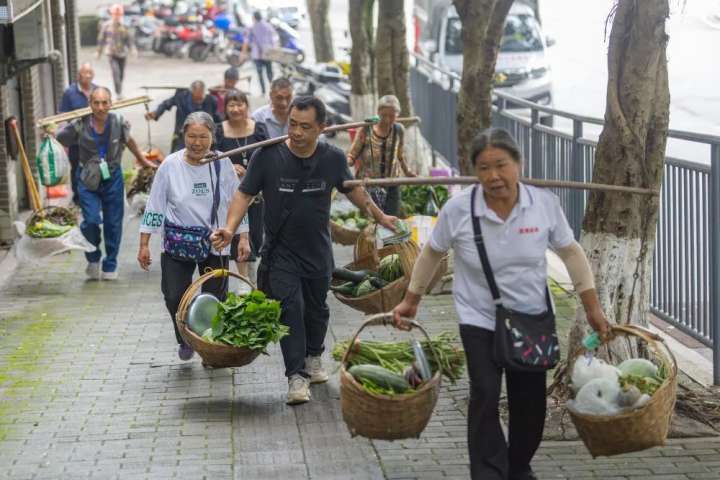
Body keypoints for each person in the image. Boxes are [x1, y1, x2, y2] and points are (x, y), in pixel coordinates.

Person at [392, 128, 611, 480]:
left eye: (501, 165)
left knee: (530, 405)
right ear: (475, 172)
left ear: (518, 165)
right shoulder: (459, 209)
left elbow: (571, 253)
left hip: (532, 318)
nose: (494, 176)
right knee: (485, 393)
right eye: (484, 167)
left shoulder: (543, 204)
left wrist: (592, 308)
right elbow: (432, 253)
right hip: (478, 317)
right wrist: (410, 300)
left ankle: (518, 464)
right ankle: (489, 472)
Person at [211, 96, 398, 405]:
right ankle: (296, 376)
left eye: (305, 127)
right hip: (281, 252)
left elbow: (354, 192)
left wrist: (380, 216)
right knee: (290, 309)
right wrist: (230, 229)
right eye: (292, 125)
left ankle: (314, 356)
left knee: (317, 309)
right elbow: (243, 194)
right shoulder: (267, 157)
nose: (296, 132)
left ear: (321, 128)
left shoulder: (333, 158)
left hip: (317, 251)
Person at [137, 112, 250, 361]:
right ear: (183, 136)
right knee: (174, 295)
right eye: (191, 136)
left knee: (214, 298)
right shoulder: (170, 165)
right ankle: (186, 338)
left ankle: (210, 347)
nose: (197, 143)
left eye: (203, 137)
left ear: (212, 137)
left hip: (216, 241)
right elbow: (155, 205)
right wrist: (144, 243)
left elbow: (237, 202)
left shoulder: (223, 163)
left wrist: (243, 237)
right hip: (178, 242)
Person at [56, 87, 154, 280]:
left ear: (111, 103)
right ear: (90, 104)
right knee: (91, 221)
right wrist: (49, 131)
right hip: (87, 179)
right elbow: (60, 138)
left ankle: (110, 263)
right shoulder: (80, 124)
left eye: (104, 103)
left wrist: (143, 161)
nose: (100, 107)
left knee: (113, 222)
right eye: (96, 103)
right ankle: (93, 258)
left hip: (113, 177)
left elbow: (130, 141)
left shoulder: (118, 122)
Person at [214, 90, 268, 280]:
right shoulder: (218, 130)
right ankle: (243, 281)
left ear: (247, 106)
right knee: (234, 234)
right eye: (231, 105)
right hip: (229, 197)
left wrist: (251, 174)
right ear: (225, 109)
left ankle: (250, 280)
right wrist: (228, 168)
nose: (236, 109)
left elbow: (269, 157)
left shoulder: (260, 129)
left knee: (253, 235)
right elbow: (211, 159)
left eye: (240, 104)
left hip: (256, 196)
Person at [347, 94, 416, 216]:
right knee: (370, 220)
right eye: (384, 115)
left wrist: (408, 171)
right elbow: (352, 155)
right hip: (368, 185)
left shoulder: (399, 130)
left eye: (392, 116)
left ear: (397, 116)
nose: (387, 120)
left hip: (392, 183)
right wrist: (344, 165)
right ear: (378, 113)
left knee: (391, 219)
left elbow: (400, 155)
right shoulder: (366, 129)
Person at [145, 80, 220, 153]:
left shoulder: (211, 100)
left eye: (200, 99)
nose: (198, 101)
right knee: (177, 155)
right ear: (191, 92)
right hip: (181, 134)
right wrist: (156, 113)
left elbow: (217, 118)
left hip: (202, 136)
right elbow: (166, 104)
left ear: (204, 93)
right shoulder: (181, 97)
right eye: (196, 98)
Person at [59, 63, 96, 205]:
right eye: (85, 73)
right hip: (76, 140)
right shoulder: (70, 93)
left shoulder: (97, 90)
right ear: (79, 76)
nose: (88, 75)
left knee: (94, 165)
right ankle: (78, 198)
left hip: (94, 138)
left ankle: (93, 193)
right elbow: (63, 114)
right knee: (76, 168)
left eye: (90, 72)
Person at [96, 4, 135, 99]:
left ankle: (119, 89)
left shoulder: (125, 26)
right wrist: (98, 52)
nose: (117, 16)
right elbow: (101, 39)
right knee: (115, 72)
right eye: (115, 14)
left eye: (119, 14)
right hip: (111, 53)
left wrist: (133, 49)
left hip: (122, 54)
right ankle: (119, 93)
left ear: (121, 15)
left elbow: (129, 40)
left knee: (121, 74)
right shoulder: (106, 26)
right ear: (112, 14)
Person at [245, 11, 277, 95]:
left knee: (260, 74)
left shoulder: (252, 27)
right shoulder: (268, 25)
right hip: (267, 53)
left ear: (254, 17)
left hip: (257, 54)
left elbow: (247, 39)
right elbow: (274, 38)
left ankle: (263, 91)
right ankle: (272, 90)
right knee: (269, 73)